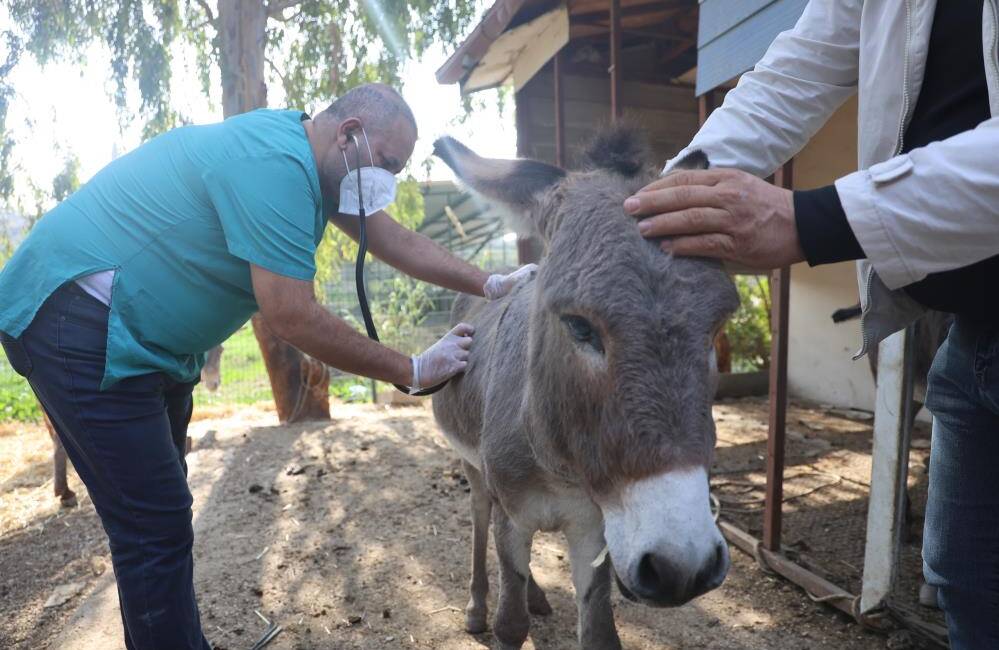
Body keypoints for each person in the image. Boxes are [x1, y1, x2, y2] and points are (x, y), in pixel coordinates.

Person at [0, 83, 533, 649]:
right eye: (390, 163)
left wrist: (487, 282)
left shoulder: (314, 162)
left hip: (143, 341)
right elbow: (292, 315)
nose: (391, 180)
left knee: (156, 517)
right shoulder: (276, 167)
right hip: (77, 317)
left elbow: (391, 238)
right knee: (153, 523)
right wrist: (413, 368)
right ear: (349, 134)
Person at [624, 2, 999, 647]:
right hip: (973, 339)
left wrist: (810, 220)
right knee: (966, 580)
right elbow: (791, 77)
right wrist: (657, 210)